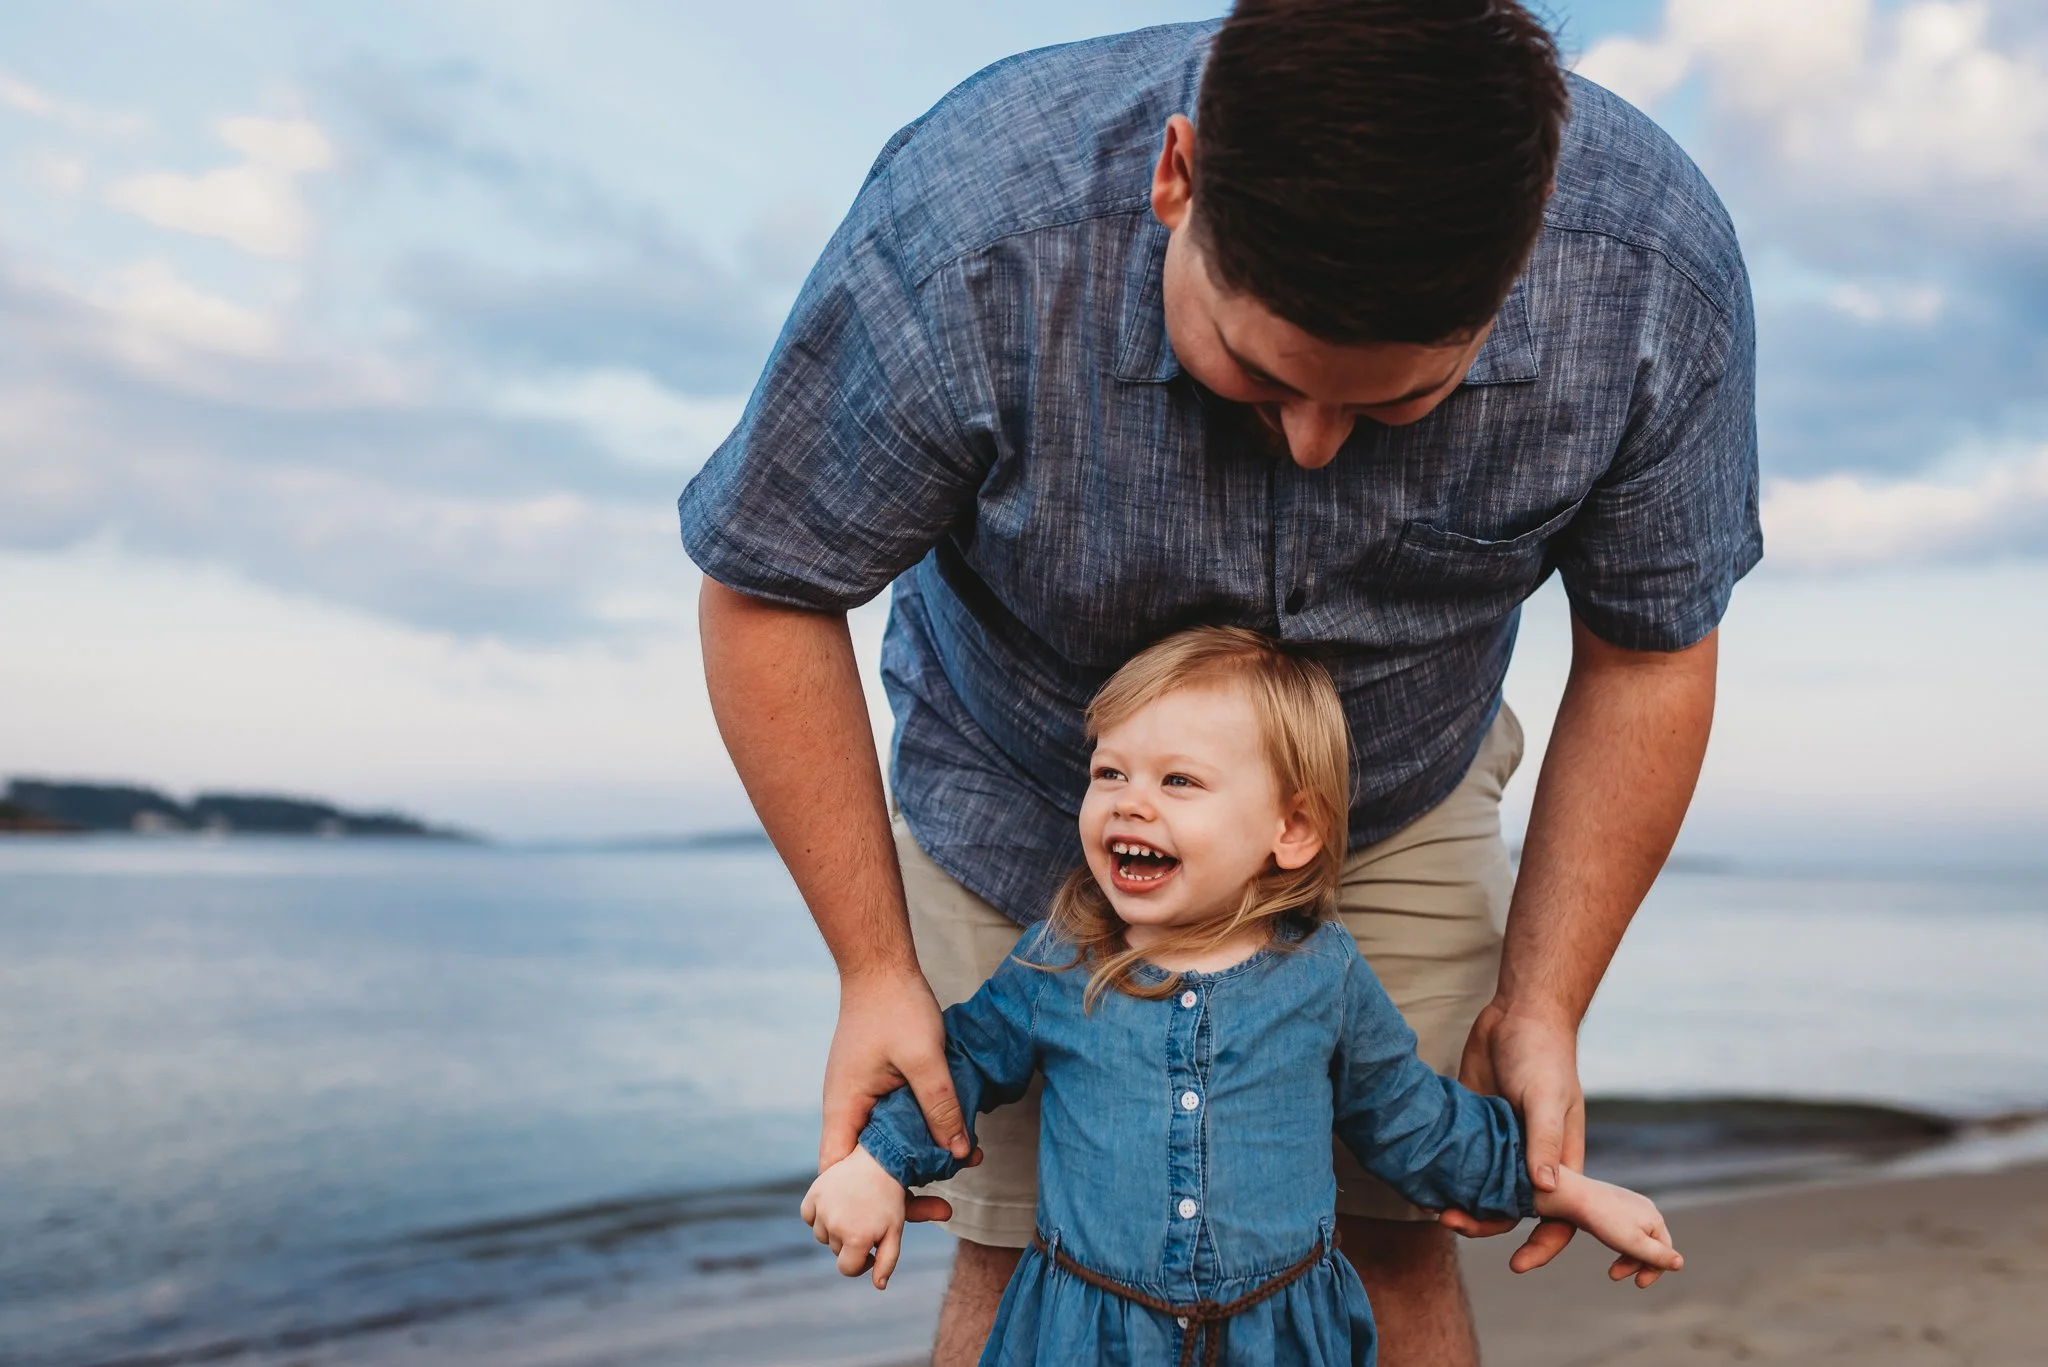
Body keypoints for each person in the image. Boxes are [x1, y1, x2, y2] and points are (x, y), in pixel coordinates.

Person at [681, 3, 1757, 1362]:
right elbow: (770, 581)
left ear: (1525, 260)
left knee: (1396, 1234)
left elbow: (1651, 646)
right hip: (1023, 776)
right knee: (1015, 1243)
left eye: (1394, 405)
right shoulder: (970, 227)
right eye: (1258, 372)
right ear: (1175, 177)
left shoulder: (1650, 271)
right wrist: (872, 966)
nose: (1312, 446)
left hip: (1399, 777)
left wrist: (1544, 1000)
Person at [801, 628, 1683, 1367]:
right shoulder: (1060, 962)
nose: (1130, 804)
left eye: (1177, 781)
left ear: (1289, 829)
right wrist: (877, 1163)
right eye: (1110, 773)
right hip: (1090, 1333)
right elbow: (957, 1063)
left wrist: (1563, 1189)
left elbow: (1413, 1121)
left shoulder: (1323, 973)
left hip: (1281, 1333)